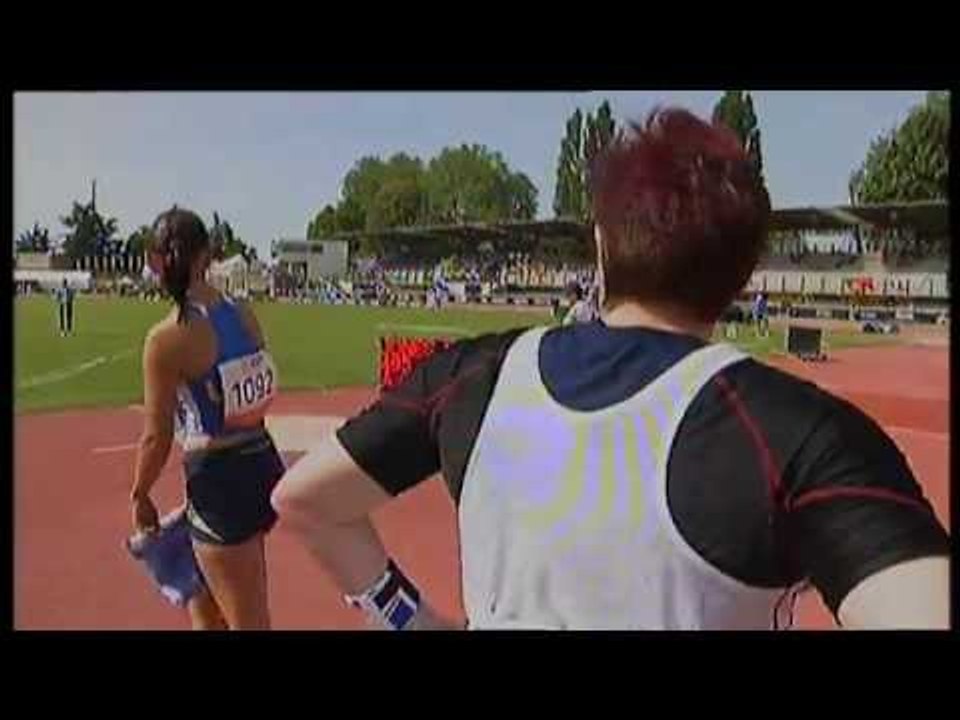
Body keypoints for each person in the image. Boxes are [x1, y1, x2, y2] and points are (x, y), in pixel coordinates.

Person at [271, 108, 949, 631]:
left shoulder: (474, 375)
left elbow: (304, 501)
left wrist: (411, 620)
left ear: (599, 246)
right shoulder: (803, 435)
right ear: (744, 275)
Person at [129, 207, 285, 630]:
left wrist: (140, 494)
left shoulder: (165, 339)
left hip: (219, 484)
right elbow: (258, 390)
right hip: (260, 466)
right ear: (206, 257)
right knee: (204, 606)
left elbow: (156, 437)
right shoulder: (244, 313)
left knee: (247, 619)